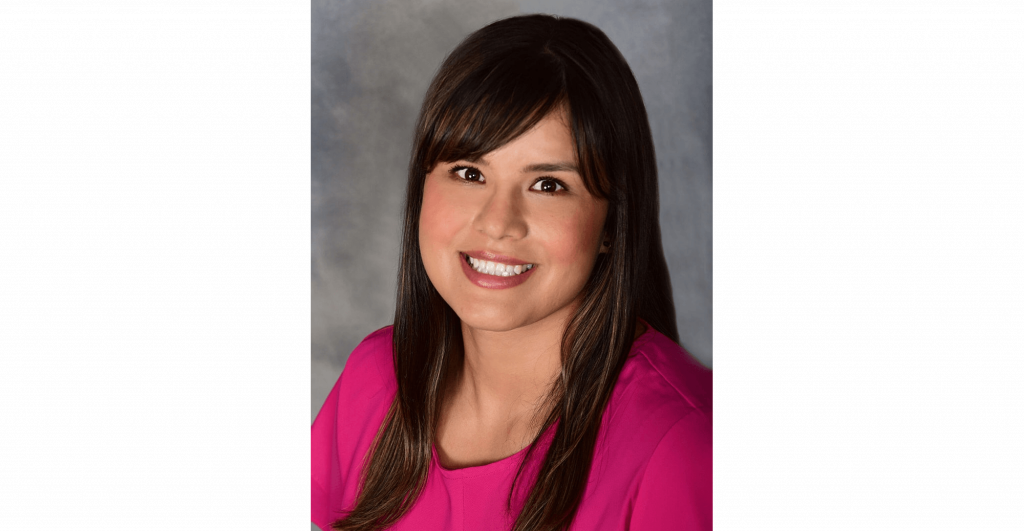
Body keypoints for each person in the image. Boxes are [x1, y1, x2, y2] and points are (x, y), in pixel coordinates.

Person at [310, 14, 713, 531]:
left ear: (613, 222)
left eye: (548, 185)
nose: (498, 224)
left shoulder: (683, 447)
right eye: (470, 173)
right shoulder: (374, 380)